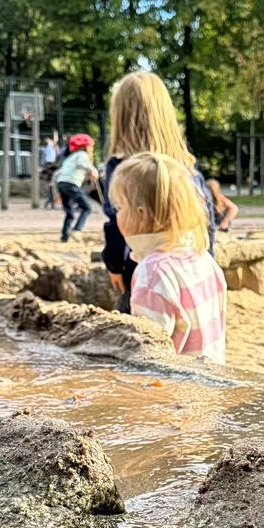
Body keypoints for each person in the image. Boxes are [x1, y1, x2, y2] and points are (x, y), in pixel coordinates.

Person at [100, 71, 216, 314]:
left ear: (120, 116)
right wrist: (206, 263)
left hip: (144, 269)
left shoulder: (123, 170)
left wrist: (114, 266)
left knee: (137, 336)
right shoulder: (186, 166)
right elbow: (207, 222)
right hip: (193, 266)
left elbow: (115, 224)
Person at [110, 152, 226, 364]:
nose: (115, 215)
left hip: (173, 390)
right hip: (209, 383)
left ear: (141, 213)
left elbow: (146, 355)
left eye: (119, 207)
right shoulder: (202, 257)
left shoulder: (152, 273)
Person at [54, 133, 98, 242]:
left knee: (69, 212)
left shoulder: (70, 158)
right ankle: (77, 229)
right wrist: (93, 170)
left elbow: (57, 174)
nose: (91, 149)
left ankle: (64, 236)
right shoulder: (82, 155)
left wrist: (56, 192)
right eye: (90, 146)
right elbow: (84, 164)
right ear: (84, 147)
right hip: (71, 184)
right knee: (87, 208)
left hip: (61, 184)